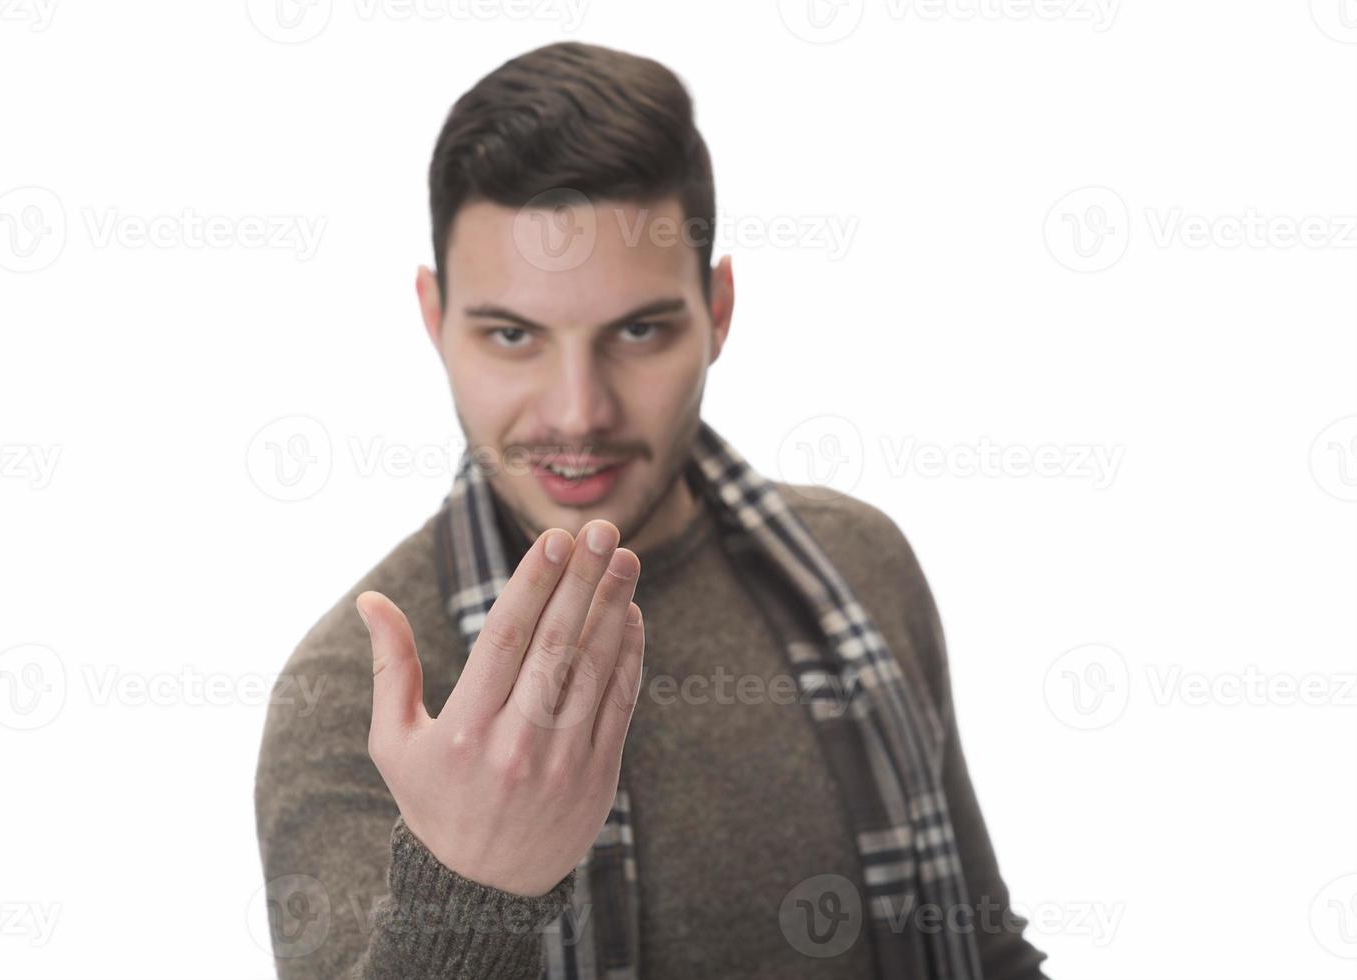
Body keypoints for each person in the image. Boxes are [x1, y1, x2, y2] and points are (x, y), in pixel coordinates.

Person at [254, 40, 1051, 980]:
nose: (577, 411)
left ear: (717, 309)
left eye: (639, 330)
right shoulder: (362, 693)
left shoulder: (862, 566)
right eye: (512, 335)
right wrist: (469, 893)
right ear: (435, 320)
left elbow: (985, 951)